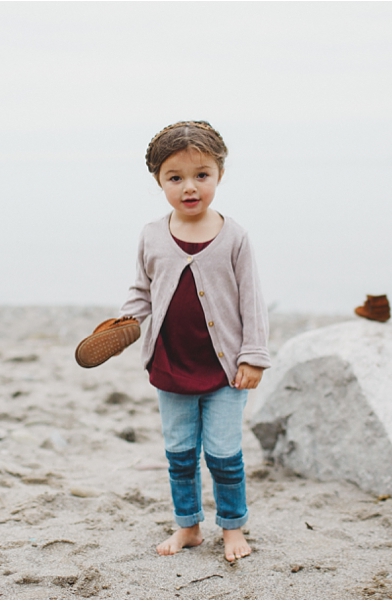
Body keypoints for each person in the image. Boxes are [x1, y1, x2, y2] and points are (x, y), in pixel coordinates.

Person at [119, 121, 271, 562]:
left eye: (202, 175)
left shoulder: (235, 236)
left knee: (223, 453)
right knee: (180, 453)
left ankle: (232, 528)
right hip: (171, 363)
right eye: (176, 177)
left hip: (226, 369)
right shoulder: (151, 234)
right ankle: (188, 525)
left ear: (219, 174)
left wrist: (254, 357)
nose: (190, 187)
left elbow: (253, 301)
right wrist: (127, 321)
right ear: (158, 180)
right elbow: (142, 289)